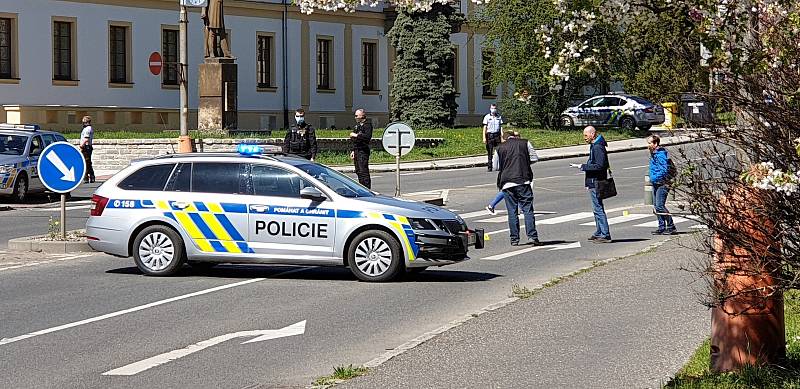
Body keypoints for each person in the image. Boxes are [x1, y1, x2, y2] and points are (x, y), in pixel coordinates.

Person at [493, 130, 541, 246]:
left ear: (504, 139)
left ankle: (514, 239)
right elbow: (535, 158)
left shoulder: (499, 148)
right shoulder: (525, 143)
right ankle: (532, 236)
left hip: (507, 183)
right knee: (527, 210)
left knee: (512, 212)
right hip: (523, 180)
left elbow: (495, 166)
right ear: (514, 137)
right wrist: (524, 162)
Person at [571, 126, 611, 243]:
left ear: (593, 134)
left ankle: (605, 234)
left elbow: (599, 165)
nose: (584, 138)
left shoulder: (598, 147)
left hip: (596, 181)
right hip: (594, 181)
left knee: (598, 208)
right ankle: (599, 232)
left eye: (586, 135)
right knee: (596, 208)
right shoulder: (595, 145)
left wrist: (583, 166)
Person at [647, 134, 677, 235]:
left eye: (650, 143)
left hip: (663, 182)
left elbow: (664, 170)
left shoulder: (660, 154)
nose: (648, 145)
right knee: (656, 206)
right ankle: (661, 226)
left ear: (655, 144)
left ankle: (671, 226)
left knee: (660, 206)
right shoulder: (654, 153)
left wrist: (655, 177)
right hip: (656, 182)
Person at [350, 108, 373, 189]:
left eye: (357, 116)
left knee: (363, 171)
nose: (355, 117)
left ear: (362, 116)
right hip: (357, 150)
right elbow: (354, 140)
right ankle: (361, 187)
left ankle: (367, 188)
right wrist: (353, 150)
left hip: (363, 150)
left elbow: (367, 137)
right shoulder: (357, 126)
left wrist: (356, 135)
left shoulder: (367, 125)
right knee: (358, 171)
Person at [482, 103, 503, 172]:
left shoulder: (499, 117)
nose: (493, 109)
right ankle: (489, 167)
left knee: (499, 151)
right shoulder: (487, 117)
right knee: (490, 152)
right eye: (492, 108)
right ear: (490, 109)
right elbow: (484, 128)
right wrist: (484, 138)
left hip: (497, 136)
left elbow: (501, 127)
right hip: (490, 136)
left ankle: (500, 166)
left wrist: (502, 137)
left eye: (494, 108)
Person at [80, 115, 95, 183]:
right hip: (87, 147)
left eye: (83, 122)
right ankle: (91, 176)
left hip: (86, 147)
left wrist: (81, 145)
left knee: (86, 162)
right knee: (88, 162)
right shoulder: (88, 128)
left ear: (85, 122)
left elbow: (86, 139)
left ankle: (86, 177)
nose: (82, 123)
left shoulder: (87, 129)